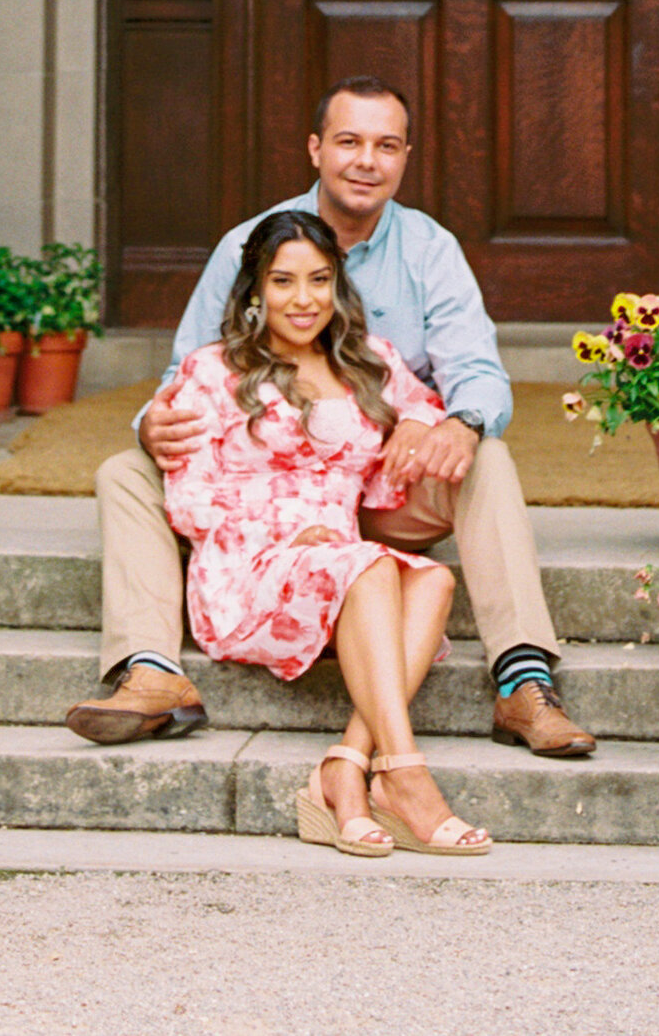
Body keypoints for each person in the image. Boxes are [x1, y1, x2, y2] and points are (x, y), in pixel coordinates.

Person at [66, 76, 595, 758]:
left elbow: (476, 380)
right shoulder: (247, 247)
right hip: (256, 492)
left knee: (485, 452)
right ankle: (150, 671)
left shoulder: (430, 251)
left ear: (406, 157)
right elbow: (185, 377)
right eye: (349, 141)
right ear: (316, 149)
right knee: (122, 470)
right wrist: (150, 422)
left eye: (386, 145)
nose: (366, 161)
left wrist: (446, 423)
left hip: (375, 480)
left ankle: (523, 680)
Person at [161, 207, 490, 857]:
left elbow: (424, 405)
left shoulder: (369, 363)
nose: (304, 299)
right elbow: (191, 498)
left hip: (336, 561)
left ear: (338, 285)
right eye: (283, 282)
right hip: (247, 570)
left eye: (319, 279)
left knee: (431, 581)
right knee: (369, 567)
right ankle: (407, 774)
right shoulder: (211, 372)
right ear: (255, 291)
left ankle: (346, 764)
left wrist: (418, 427)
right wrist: (287, 531)